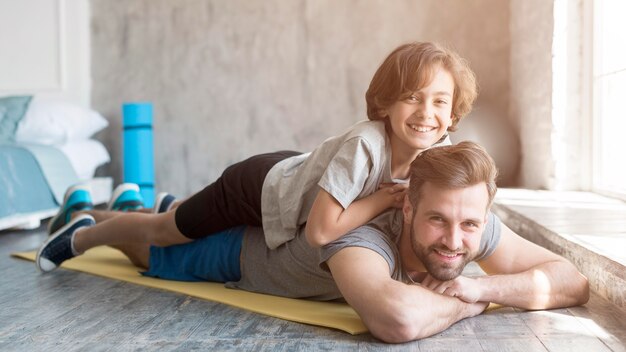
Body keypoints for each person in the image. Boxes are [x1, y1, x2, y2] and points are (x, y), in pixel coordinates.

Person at [37, 141, 589, 343]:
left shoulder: (464, 214)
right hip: (241, 247)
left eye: (470, 226)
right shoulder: (365, 236)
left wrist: (476, 285)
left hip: (275, 201)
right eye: (437, 221)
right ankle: (87, 230)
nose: (454, 241)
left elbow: (571, 280)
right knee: (152, 251)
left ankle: (123, 206)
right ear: (407, 204)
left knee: (171, 217)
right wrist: (474, 298)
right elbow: (396, 320)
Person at [45, 41, 478, 252]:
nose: (427, 113)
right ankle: (83, 236)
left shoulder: (439, 149)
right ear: (385, 103)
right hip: (256, 188)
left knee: (175, 216)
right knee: (165, 233)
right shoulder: (366, 145)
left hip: (298, 171)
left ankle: (92, 209)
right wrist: (383, 200)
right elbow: (321, 232)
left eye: (440, 101)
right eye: (412, 97)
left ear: (454, 113)